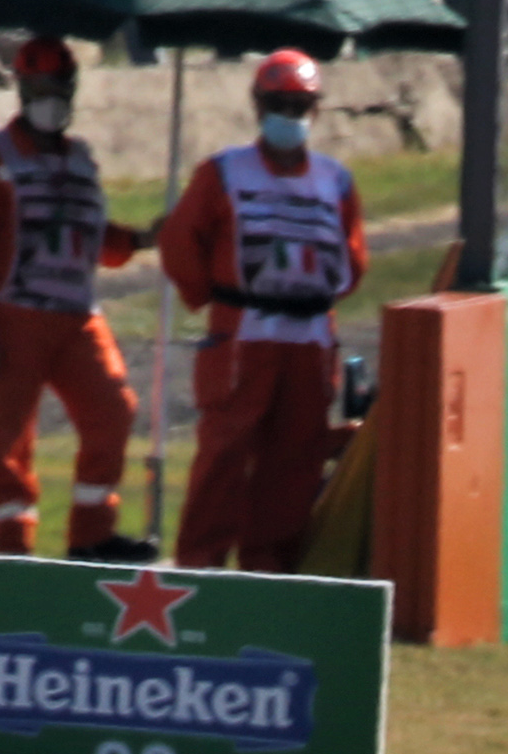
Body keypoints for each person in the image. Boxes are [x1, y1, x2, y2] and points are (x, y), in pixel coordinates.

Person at [154, 49, 367, 572]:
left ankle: (268, 572)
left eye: (300, 105)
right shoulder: (224, 173)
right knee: (224, 456)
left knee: (294, 462)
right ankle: (200, 566)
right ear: (257, 104)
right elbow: (181, 242)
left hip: (312, 339)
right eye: (279, 103)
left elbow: (353, 259)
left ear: (316, 110)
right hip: (243, 336)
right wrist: (212, 297)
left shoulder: (335, 181)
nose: (290, 115)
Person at [0, 35, 142, 562]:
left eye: (56, 86)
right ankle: (13, 547)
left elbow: (92, 237)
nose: (46, 96)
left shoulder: (81, 158)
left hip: (78, 317)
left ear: (72, 88)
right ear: (19, 89)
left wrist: (143, 240)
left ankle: (93, 534)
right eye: (35, 87)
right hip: (15, 317)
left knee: (114, 412)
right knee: (9, 437)